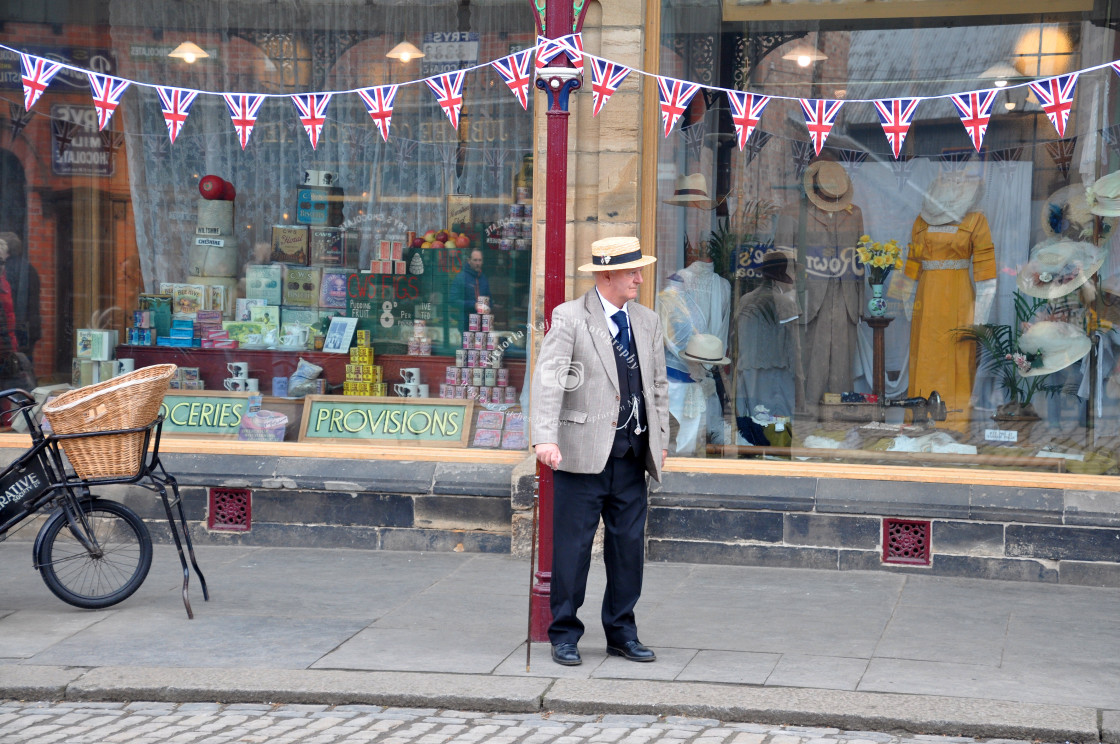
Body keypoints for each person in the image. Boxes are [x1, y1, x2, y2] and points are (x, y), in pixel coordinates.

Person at [530, 236, 669, 667]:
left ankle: (622, 632)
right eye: (633, 272)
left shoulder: (646, 321)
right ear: (607, 275)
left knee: (628, 549)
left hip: (631, 456)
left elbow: (658, 387)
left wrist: (661, 439)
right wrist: (544, 438)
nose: (640, 279)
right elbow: (551, 380)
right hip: (581, 453)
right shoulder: (570, 317)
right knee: (572, 550)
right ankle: (565, 633)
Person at [0, 232, 41, 360]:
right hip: (30, 326)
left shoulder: (7, 270)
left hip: (15, 328)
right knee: (25, 366)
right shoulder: (29, 268)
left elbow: (8, 306)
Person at [449, 248, 490, 330]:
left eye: (480, 260)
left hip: (483, 324)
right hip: (466, 323)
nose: (478, 263)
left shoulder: (483, 278)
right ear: (469, 261)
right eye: (475, 260)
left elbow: (489, 298)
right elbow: (452, 300)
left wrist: (490, 306)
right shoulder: (460, 277)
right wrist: (473, 305)